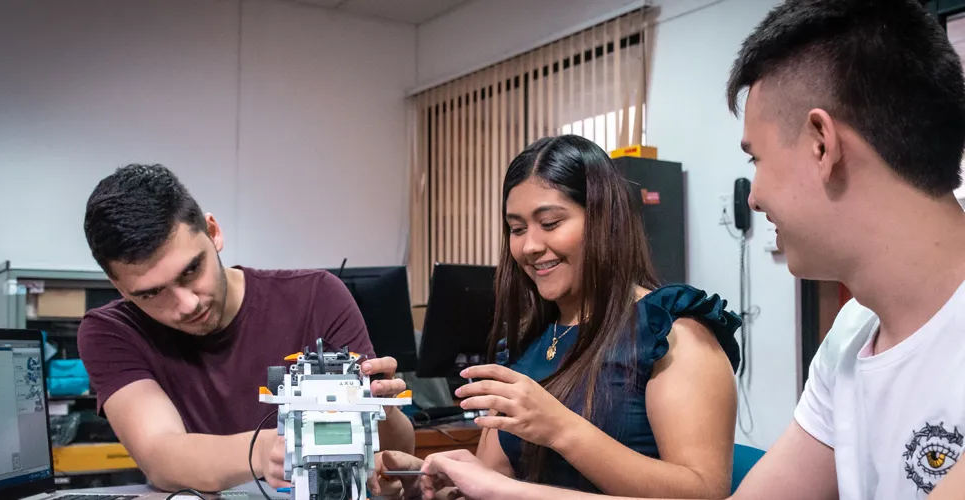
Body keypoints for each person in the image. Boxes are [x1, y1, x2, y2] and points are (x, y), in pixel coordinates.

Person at [415, 0, 965, 499]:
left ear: (823, 145)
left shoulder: (671, 330)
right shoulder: (850, 338)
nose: (757, 196)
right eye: (516, 228)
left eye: (756, 160)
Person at [370, 134, 742, 499]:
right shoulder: (528, 344)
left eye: (549, 224)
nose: (530, 246)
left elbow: (704, 491)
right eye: (517, 229)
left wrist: (560, 428)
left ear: (604, 221)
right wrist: (425, 480)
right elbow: (496, 481)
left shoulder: (673, 332)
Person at [76, 164, 415, 493]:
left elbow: (397, 455)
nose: (186, 305)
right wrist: (266, 450)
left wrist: (380, 408)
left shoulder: (317, 297)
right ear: (119, 287)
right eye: (151, 293)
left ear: (213, 232)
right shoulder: (111, 331)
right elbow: (161, 454)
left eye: (191, 270)